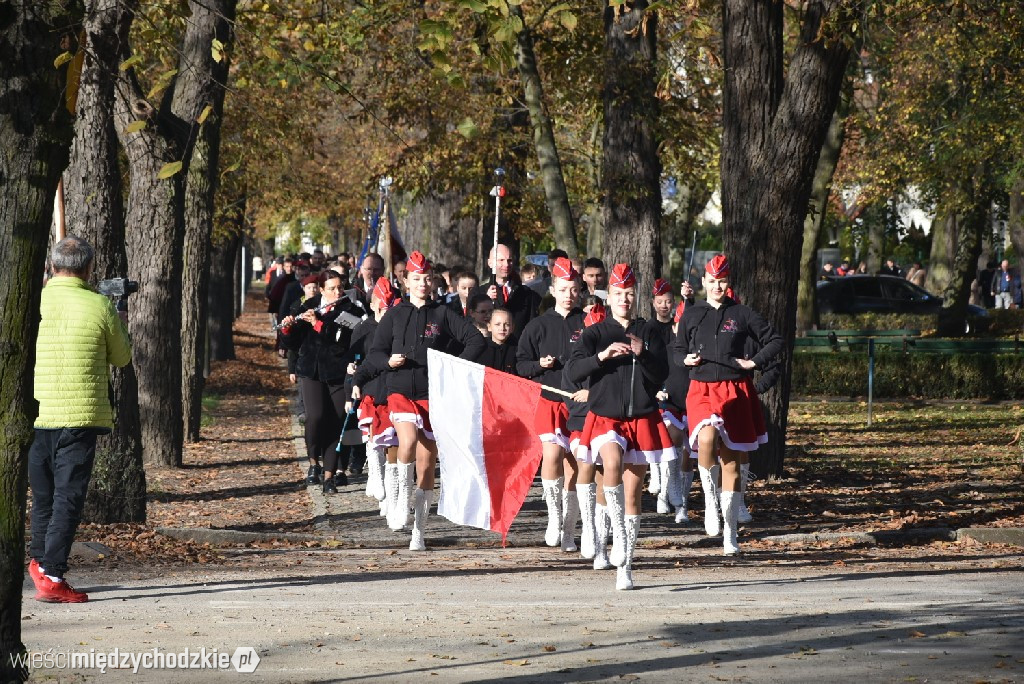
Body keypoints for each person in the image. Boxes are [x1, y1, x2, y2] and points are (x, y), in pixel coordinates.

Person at [28, 236, 133, 603]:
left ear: (52, 265)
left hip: (36, 411)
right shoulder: (100, 305)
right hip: (79, 414)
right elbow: (121, 358)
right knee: (68, 498)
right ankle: (52, 573)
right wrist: (118, 321)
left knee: (43, 497)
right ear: (89, 268)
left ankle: (40, 562)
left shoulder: (31, 300)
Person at [368, 251, 485, 550]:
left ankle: (419, 529)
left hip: (434, 394)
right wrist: (389, 361)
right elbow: (375, 354)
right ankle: (399, 503)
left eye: (427, 278)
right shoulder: (395, 314)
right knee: (405, 441)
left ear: (433, 281)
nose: (422, 284)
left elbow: (476, 341)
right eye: (416, 279)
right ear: (405, 280)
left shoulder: (443, 314)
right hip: (400, 390)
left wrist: (452, 366)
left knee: (427, 462)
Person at [568, 263, 675, 590]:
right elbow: (573, 371)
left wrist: (643, 355)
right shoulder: (595, 332)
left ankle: (624, 562)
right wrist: (600, 357)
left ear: (635, 295)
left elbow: (661, 374)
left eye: (629, 294)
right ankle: (605, 536)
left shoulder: (650, 331)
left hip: (642, 417)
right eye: (618, 294)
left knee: (633, 496)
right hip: (606, 416)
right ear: (610, 296)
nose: (624, 299)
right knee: (610, 462)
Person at [676, 255, 783, 555]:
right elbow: (678, 349)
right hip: (701, 388)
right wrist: (684, 359)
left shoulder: (743, 313)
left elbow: (775, 341)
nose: (717, 286)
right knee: (706, 437)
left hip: (735, 389)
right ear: (703, 283)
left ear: (729, 282)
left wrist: (753, 362)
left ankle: (730, 533)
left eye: (722, 281)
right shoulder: (692, 313)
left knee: (733, 463)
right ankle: (709, 501)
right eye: (711, 281)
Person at [516, 257, 586, 552]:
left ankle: (569, 529)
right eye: (562, 289)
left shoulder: (588, 323)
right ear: (553, 290)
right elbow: (520, 365)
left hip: (579, 404)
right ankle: (554, 517)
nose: (568, 294)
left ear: (579, 290)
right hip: (549, 400)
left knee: (575, 466)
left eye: (573, 289)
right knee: (552, 456)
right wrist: (538, 364)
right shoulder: (538, 325)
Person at [280, 270, 366, 493]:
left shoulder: (351, 309)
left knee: (335, 422)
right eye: (331, 288)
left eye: (339, 287)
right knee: (315, 417)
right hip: (311, 371)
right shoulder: (307, 305)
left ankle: (329, 477)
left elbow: (343, 342)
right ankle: (313, 462)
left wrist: (318, 324)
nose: (337, 292)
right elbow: (292, 342)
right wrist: (289, 327)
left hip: (338, 373)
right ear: (321, 289)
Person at [349, 277, 402, 515]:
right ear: (373, 305)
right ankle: (375, 473)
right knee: (374, 439)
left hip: (395, 390)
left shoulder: (400, 327)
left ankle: (394, 497)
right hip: (371, 389)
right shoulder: (362, 329)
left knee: (394, 443)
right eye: (382, 305)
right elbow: (355, 363)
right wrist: (352, 385)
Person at [648, 278, 692, 523]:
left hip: (694, 405)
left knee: (689, 454)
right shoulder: (664, 345)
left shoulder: (699, 349)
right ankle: (666, 489)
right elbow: (655, 373)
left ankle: (682, 504)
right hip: (669, 403)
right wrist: (658, 390)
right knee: (671, 436)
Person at [476, 243, 540, 332]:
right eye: (501, 260)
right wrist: (485, 302)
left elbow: (534, 326)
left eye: (509, 260)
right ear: (490, 263)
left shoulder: (527, 294)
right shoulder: (478, 293)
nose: (506, 264)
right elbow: (472, 324)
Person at [478, 307, 518, 374]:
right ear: (489, 327)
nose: (502, 328)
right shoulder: (480, 348)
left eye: (507, 325)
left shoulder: (518, 350)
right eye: (497, 324)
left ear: (512, 328)